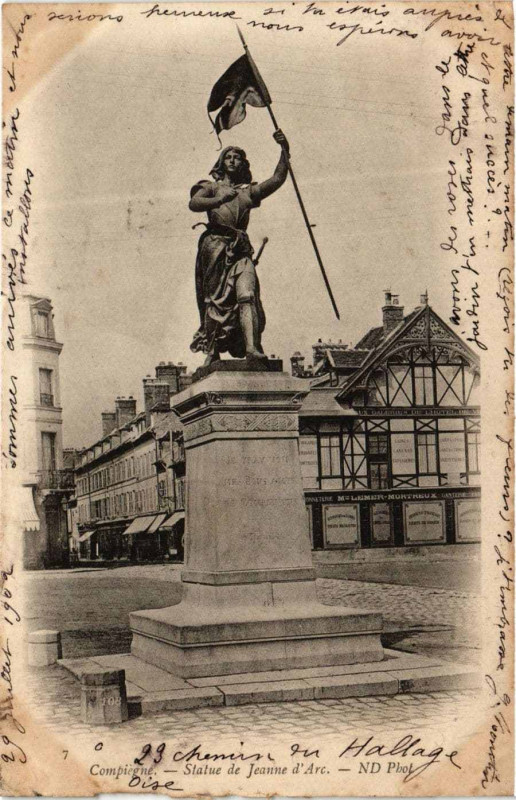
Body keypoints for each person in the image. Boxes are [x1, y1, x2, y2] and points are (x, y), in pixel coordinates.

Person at [189, 130, 289, 365]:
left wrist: (285, 150)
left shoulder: (248, 192)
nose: (233, 160)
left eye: (238, 157)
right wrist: (220, 200)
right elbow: (194, 203)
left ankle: (252, 349)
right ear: (221, 163)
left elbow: (277, 179)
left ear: (244, 164)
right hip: (214, 247)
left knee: (248, 295)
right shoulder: (211, 187)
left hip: (241, 250)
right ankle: (212, 350)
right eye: (228, 157)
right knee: (213, 301)